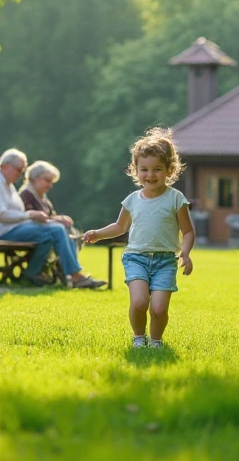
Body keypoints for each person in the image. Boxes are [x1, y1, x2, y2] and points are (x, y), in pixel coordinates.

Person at [83, 128, 194, 348]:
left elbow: (188, 231)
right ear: (136, 170)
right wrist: (98, 234)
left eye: (157, 169)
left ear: (169, 170)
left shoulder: (176, 199)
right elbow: (119, 226)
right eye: (144, 169)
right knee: (140, 302)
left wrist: (186, 252)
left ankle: (155, 341)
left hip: (165, 261)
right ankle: (138, 337)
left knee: (160, 308)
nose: (150, 175)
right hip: (136, 258)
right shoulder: (132, 200)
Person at [0, 149, 105, 289]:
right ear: (6, 166)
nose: (20, 174)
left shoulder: (6, 185)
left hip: (14, 227)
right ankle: (75, 276)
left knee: (50, 236)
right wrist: (30, 215)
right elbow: (1, 214)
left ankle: (32, 273)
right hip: (4, 231)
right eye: (18, 169)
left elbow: (15, 214)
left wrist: (40, 218)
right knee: (57, 229)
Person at [20, 160, 73, 229]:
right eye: (47, 180)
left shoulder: (43, 199)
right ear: (34, 178)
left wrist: (61, 219)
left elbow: (50, 217)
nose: (50, 185)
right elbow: (30, 219)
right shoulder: (26, 196)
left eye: (52, 182)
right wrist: (55, 220)